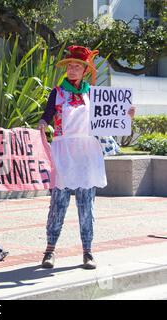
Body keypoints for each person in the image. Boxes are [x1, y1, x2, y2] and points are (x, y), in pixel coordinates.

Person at [37, 45, 135, 270]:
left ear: (84, 70)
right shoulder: (57, 92)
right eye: (69, 66)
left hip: (87, 153)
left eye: (77, 67)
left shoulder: (94, 94)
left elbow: (112, 117)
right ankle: (50, 250)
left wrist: (127, 114)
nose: (72, 70)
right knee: (58, 205)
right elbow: (47, 116)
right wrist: (43, 124)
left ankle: (87, 252)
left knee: (86, 204)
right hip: (63, 152)